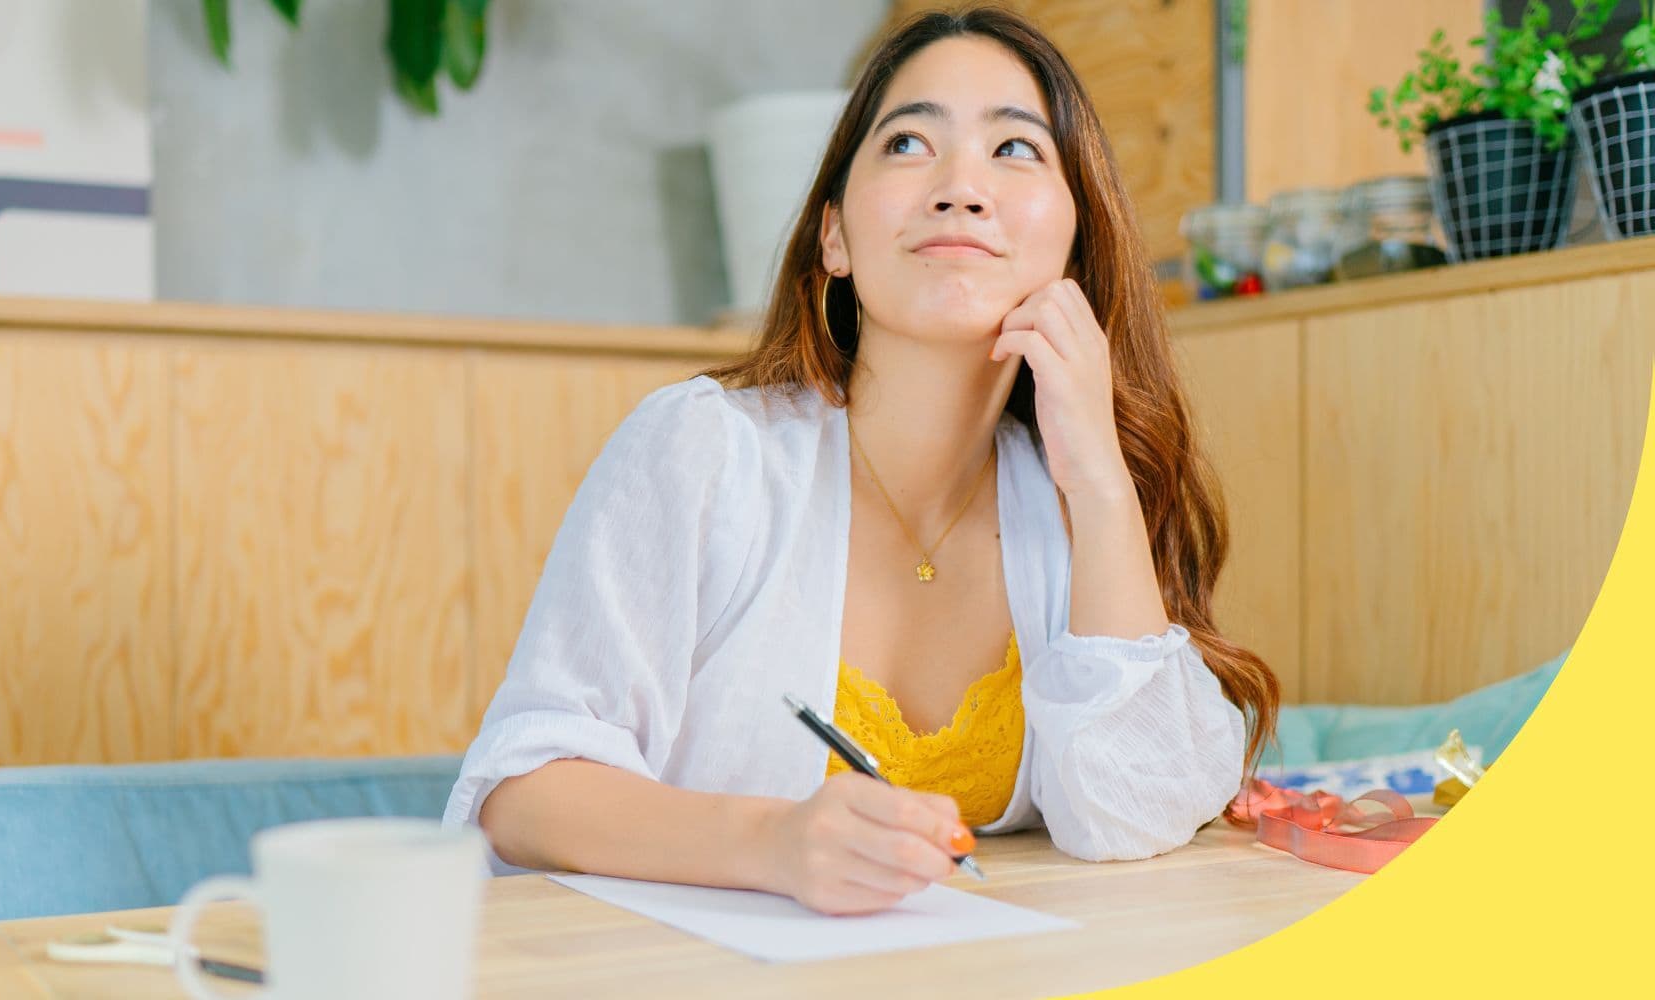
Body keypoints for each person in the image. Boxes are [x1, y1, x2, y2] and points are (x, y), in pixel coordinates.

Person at [443, 5, 1279, 916]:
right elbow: (519, 794)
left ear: (1077, 242)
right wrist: (773, 843)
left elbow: (1138, 814)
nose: (962, 187)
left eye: (1015, 150)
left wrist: (1103, 487)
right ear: (834, 235)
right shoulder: (704, 451)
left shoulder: (1077, 497)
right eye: (911, 142)